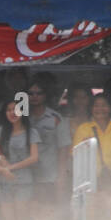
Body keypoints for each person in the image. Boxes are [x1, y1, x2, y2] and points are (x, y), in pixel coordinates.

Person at [0, 98, 40, 220]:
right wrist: (1, 170)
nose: (12, 113)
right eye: (9, 110)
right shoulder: (0, 131)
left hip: (24, 182)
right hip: (4, 182)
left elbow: (34, 157)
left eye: (16, 109)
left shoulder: (31, 132)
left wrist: (10, 168)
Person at [73, 93, 111, 189]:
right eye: (96, 106)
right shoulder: (83, 129)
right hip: (88, 182)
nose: (100, 109)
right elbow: (75, 157)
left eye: (104, 105)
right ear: (91, 109)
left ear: (110, 108)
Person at [26, 76, 71, 205]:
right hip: (28, 176)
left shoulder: (56, 118)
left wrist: (61, 176)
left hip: (50, 176)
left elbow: (63, 148)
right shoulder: (22, 119)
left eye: (39, 93)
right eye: (31, 93)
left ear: (45, 95)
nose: (34, 96)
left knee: (49, 213)